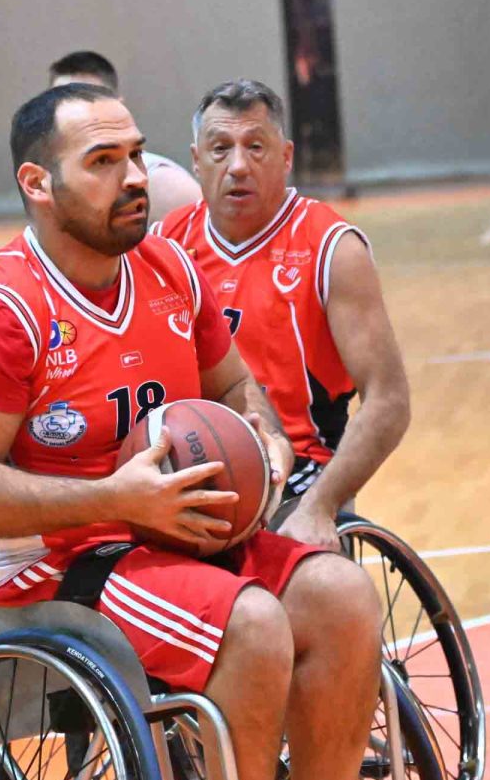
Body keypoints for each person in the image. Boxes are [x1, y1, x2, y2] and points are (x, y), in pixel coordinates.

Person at [0, 83, 385, 780]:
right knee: (253, 623)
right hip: (52, 572)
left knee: (343, 596)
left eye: (135, 154)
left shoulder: (169, 269)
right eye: (103, 162)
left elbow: (235, 387)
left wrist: (263, 444)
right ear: (38, 184)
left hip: (173, 537)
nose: (134, 176)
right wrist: (112, 499)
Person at [152, 79, 409, 551]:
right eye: (220, 149)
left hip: (299, 479)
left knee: (323, 588)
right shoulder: (163, 244)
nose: (237, 166)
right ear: (196, 160)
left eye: (255, 147)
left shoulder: (332, 248)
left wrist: (320, 505)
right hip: (188, 471)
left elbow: (389, 401)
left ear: (286, 157)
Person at [48, 50, 203, 223]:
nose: (78, 113)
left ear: (118, 104)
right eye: (63, 103)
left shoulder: (165, 185)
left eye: (89, 101)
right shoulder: (46, 180)